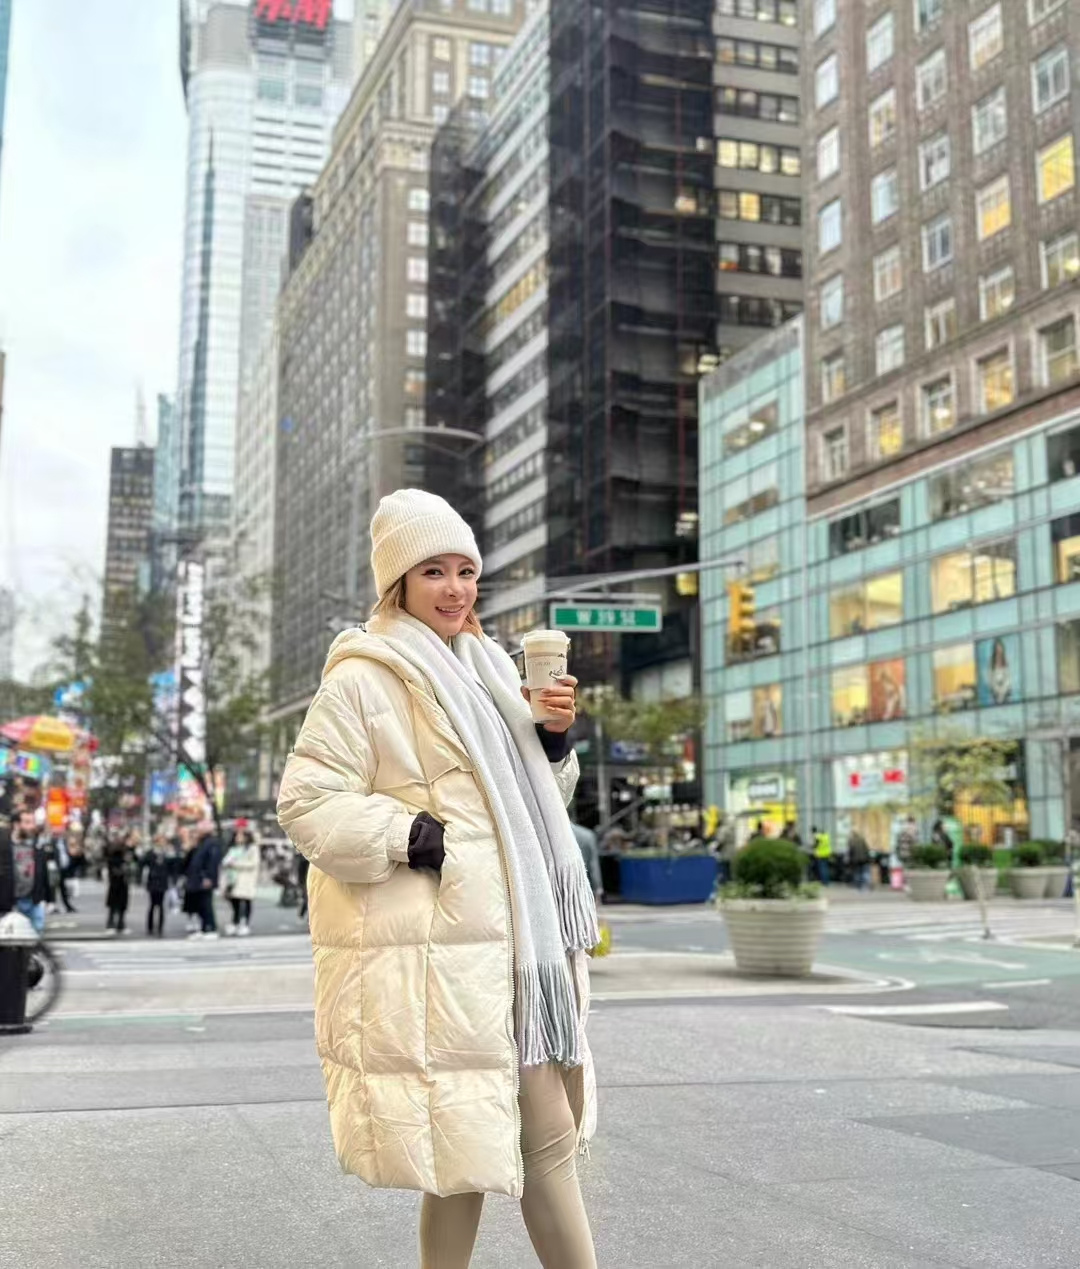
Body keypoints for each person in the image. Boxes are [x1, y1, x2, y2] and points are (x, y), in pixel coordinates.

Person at [277, 489, 599, 1269]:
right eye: (434, 572)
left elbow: (534, 807)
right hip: (447, 955)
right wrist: (410, 835)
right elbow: (306, 801)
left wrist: (553, 739)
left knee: (470, 1154)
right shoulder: (366, 676)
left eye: (465, 570)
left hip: (517, 949)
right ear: (399, 584)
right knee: (535, 1140)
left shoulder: (490, 671)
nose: (456, 589)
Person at [0, 808, 49, 934]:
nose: (31, 826)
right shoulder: (5, 846)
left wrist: (47, 898)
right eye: (27, 822)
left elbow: (43, 873)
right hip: (10, 901)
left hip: (33, 900)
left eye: (32, 822)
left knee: (37, 934)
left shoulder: (37, 845)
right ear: (16, 824)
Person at [221, 822, 260, 936]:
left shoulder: (252, 848)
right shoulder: (233, 848)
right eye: (237, 835)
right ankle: (235, 922)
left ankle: (245, 923)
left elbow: (253, 863)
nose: (238, 837)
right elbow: (226, 860)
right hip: (233, 879)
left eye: (241, 835)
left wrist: (236, 864)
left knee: (246, 901)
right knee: (235, 902)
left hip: (246, 879)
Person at [185, 821, 221, 939]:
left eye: (199, 829)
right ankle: (204, 927)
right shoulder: (201, 843)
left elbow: (212, 862)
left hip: (204, 878)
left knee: (206, 904)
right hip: (196, 878)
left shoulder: (211, 843)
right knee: (200, 904)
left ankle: (211, 928)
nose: (197, 832)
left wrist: (208, 877)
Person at [144, 837, 171, 937]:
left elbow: (172, 865)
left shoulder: (166, 854)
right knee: (152, 905)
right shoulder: (151, 853)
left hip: (162, 881)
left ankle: (160, 927)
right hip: (153, 881)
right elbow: (144, 862)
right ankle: (150, 927)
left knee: (160, 905)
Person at [571, 821, 603, 903]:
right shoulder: (588, 835)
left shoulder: (555, 835)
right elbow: (593, 864)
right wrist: (597, 888)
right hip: (584, 883)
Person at [105, 839, 132, 935]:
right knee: (116, 906)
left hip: (118, 885)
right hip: (117, 885)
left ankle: (117, 924)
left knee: (117, 907)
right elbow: (115, 872)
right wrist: (123, 870)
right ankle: (114, 924)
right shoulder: (113, 859)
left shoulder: (122, 859)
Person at [847, 827, 872, 892]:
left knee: (857, 873)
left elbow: (851, 851)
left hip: (856, 860)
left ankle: (858, 886)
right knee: (865, 873)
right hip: (864, 859)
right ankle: (866, 886)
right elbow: (866, 849)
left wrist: (850, 860)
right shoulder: (862, 839)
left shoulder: (851, 841)